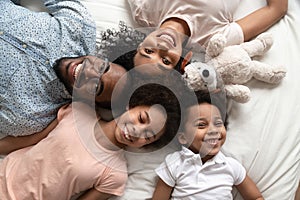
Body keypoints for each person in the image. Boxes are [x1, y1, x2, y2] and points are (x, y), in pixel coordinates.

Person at [0, 83, 182, 200]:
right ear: (131, 105)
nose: (137, 131)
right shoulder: (79, 112)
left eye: (148, 136)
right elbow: (34, 139)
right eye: (141, 119)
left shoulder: (115, 174)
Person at [98, 0, 288, 73]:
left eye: (149, 51)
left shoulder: (143, 10)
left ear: (140, 42)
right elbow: (277, 9)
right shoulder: (213, 38)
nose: (162, 48)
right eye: (165, 60)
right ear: (184, 60)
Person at [152, 90, 264, 200]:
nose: (213, 130)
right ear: (183, 137)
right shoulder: (174, 163)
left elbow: (256, 197)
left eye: (218, 123)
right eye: (201, 125)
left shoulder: (231, 166)